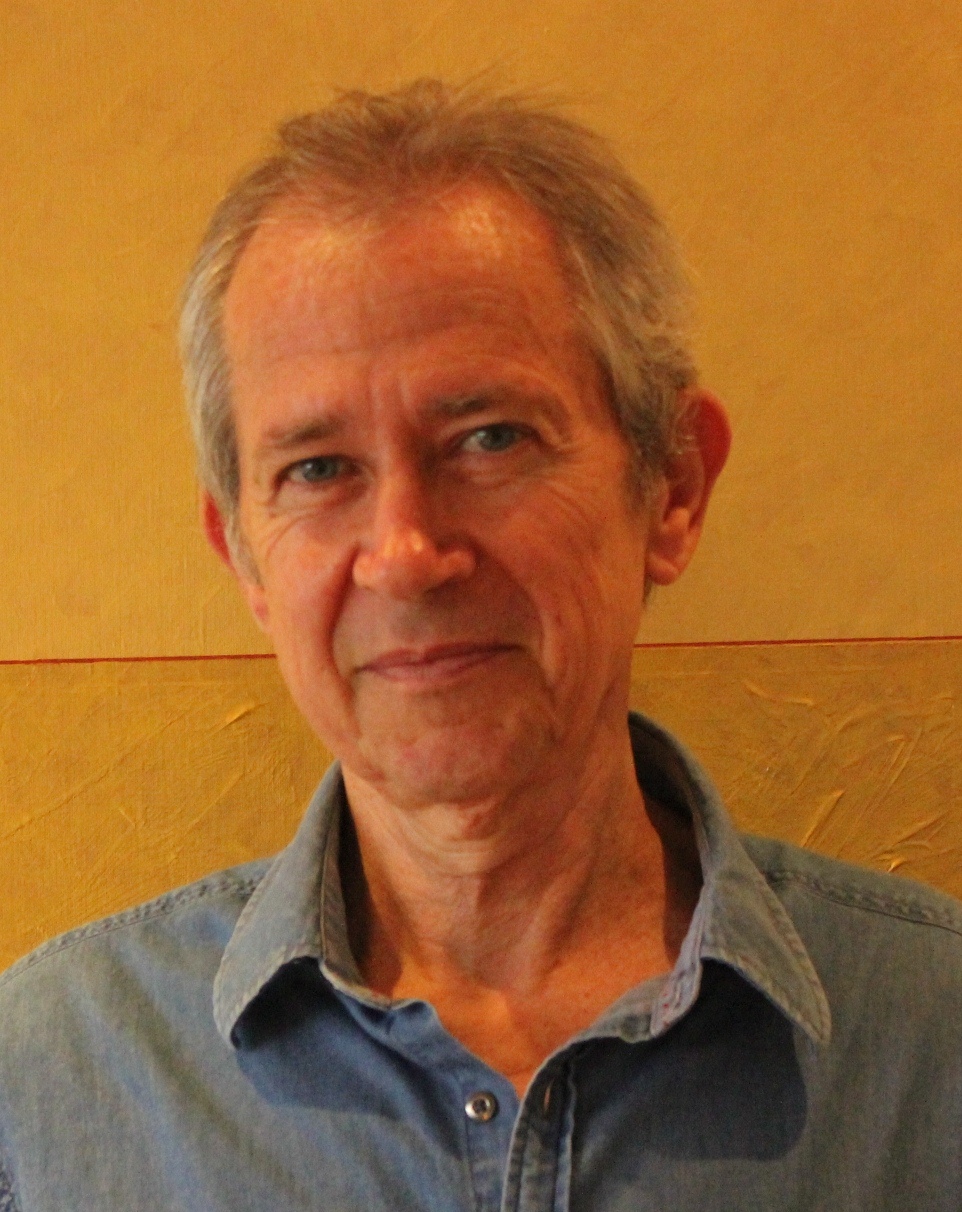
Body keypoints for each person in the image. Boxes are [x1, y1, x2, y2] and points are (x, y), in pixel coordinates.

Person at [1, 80, 960, 1211]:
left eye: (490, 439)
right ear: (245, 556)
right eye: (318, 469)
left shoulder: (929, 1041)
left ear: (672, 488)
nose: (405, 556)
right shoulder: (51, 1080)